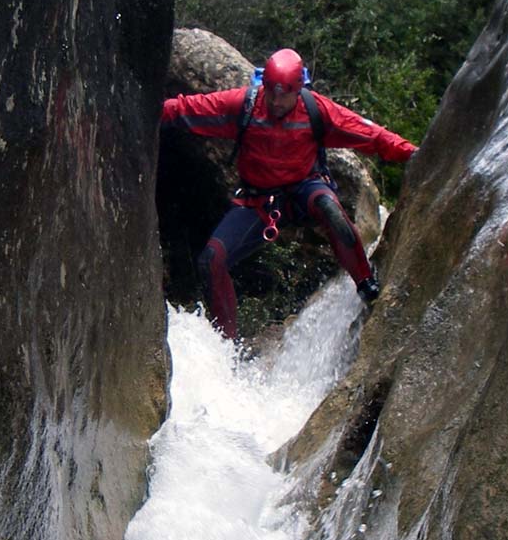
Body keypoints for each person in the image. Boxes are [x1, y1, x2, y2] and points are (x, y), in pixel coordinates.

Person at [162, 48, 417, 340]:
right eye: (270, 91)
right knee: (211, 259)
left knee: (331, 209)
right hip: (259, 201)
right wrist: (153, 112)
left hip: (304, 190)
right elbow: (189, 108)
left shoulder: (315, 110)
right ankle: (226, 346)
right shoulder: (245, 106)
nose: (275, 100)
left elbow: (369, 134)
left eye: (284, 94)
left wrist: (410, 153)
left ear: (299, 90)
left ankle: (366, 285)